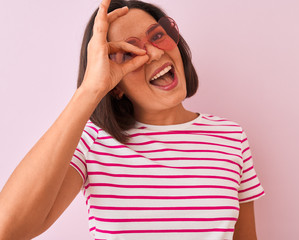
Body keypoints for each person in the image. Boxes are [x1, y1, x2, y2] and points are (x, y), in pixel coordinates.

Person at [0, 0, 265, 239]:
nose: (155, 54)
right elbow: (8, 229)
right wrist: (90, 90)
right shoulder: (93, 140)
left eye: (158, 36)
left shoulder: (231, 137)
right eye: (129, 53)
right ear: (115, 84)